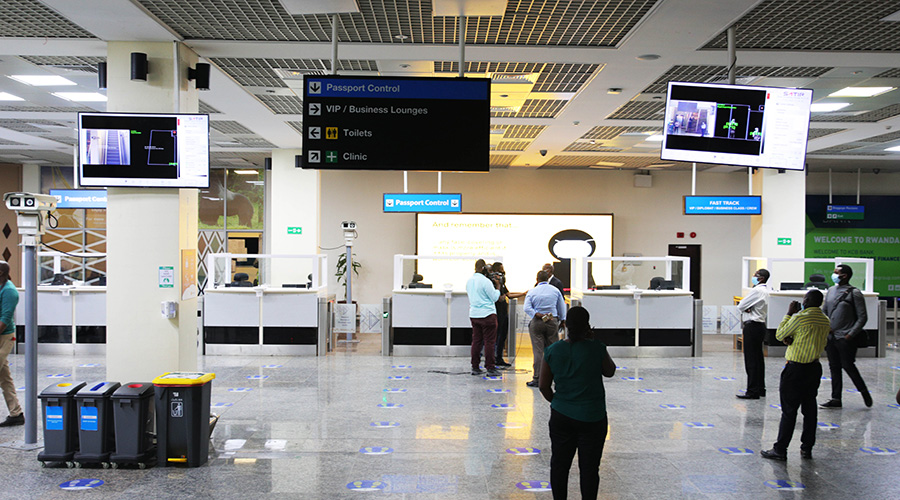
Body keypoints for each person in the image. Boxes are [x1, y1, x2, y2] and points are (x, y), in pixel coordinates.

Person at [539, 306, 616, 500]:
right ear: (588, 326)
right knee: (590, 468)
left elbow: (543, 386)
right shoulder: (596, 347)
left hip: (561, 415)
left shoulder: (553, 350)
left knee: (559, 465)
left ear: (565, 326)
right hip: (593, 416)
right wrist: (593, 341)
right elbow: (610, 371)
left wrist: (558, 402)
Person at [760, 289, 830, 461]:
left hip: (795, 369)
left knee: (789, 410)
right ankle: (807, 448)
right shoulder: (825, 320)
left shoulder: (799, 317)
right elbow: (808, 338)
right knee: (810, 409)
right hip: (813, 368)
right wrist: (793, 339)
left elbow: (780, 334)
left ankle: (780, 449)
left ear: (806, 301)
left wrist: (789, 314)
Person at [820, 264, 872, 409]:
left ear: (845, 276)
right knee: (834, 367)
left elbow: (862, 317)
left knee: (848, 366)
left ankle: (864, 392)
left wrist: (850, 335)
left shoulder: (854, 293)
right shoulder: (830, 291)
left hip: (845, 338)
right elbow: (824, 311)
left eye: (837, 273)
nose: (834, 275)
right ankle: (836, 398)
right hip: (831, 337)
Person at [525, 270, 566, 388]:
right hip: (551, 320)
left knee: (538, 351)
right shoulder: (555, 290)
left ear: (537, 279)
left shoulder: (532, 291)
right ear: (547, 279)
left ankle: (537, 378)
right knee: (554, 350)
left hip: (537, 322)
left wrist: (536, 314)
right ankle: (557, 377)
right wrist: (562, 320)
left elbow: (527, 308)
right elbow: (561, 307)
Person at [736, 268, 770, 399]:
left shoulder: (757, 290)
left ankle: (752, 390)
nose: (753, 277)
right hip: (760, 326)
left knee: (751, 360)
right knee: (758, 359)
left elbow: (741, 306)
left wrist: (746, 307)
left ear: (761, 278)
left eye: (755, 275)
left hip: (752, 326)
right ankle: (760, 388)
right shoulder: (765, 291)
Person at [465, 259, 501, 377]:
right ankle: (490, 367)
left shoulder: (469, 281)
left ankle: (475, 367)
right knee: (489, 342)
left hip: (474, 314)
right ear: (483, 269)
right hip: (487, 314)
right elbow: (495, 297)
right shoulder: (486, 281)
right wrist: (498, 287)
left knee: (476, 341)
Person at [0, 261, 23, 427]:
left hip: (4, 338)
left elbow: (4, 320)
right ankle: (16, 413)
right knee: (4, 378)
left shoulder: (9, 291)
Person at [490, 262, 525, 368]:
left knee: (503, 335)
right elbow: (499, 297)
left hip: (503, 312)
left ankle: (499, 357)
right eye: (501, 269)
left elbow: (508, 295)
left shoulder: (502, 283)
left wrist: (523, 294)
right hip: (498, 313)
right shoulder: (494, 284)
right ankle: (495, 358)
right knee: (498, 336)